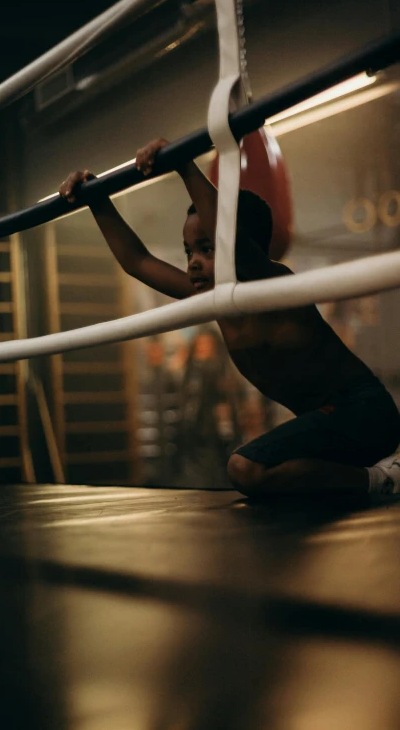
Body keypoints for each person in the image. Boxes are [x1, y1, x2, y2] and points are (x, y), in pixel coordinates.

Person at [59, 137, 400, 497]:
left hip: (363, 412)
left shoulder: (273, 285)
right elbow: (137, 261)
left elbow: (232, 242)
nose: (192, 261)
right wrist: (95, 199)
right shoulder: (215, 299)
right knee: (267, 472)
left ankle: (387, 480)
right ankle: (377, 476)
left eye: (206, 249)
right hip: (331, 423)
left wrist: (183, 163)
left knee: (244, 467)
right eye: (189, 250)